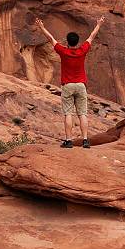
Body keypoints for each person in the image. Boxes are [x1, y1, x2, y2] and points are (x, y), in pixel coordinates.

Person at [35, 15, 105, 149]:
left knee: (68, 113)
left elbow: (51, 39)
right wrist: (99, 24)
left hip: (67, 85)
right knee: (82, 114)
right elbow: (92, 36)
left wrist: (42, 27)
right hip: (80, 85)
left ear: (67, 42)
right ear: (77, 42)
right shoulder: (82, 50)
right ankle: (85, 140)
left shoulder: (63, 51)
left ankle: (68, 141)